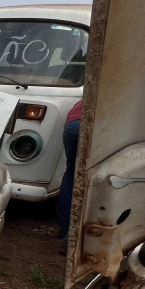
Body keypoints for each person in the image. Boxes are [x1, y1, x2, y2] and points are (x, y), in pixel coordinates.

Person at [58, 99, 84, 251]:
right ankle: (71, 238)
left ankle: (64, 225)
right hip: (88, 125)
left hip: (71, 125)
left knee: (70, 175)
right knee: (85, 180)